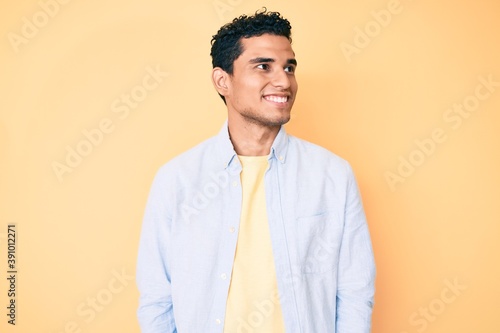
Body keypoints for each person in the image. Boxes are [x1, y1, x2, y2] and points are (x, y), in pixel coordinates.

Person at [136, 9, 375, 333]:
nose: (283, 81)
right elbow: (156, 298)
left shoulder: (332, 176)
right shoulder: (177, 180)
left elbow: (355, 292)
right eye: (263, 66)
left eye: (289, 67)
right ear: (223, 81)